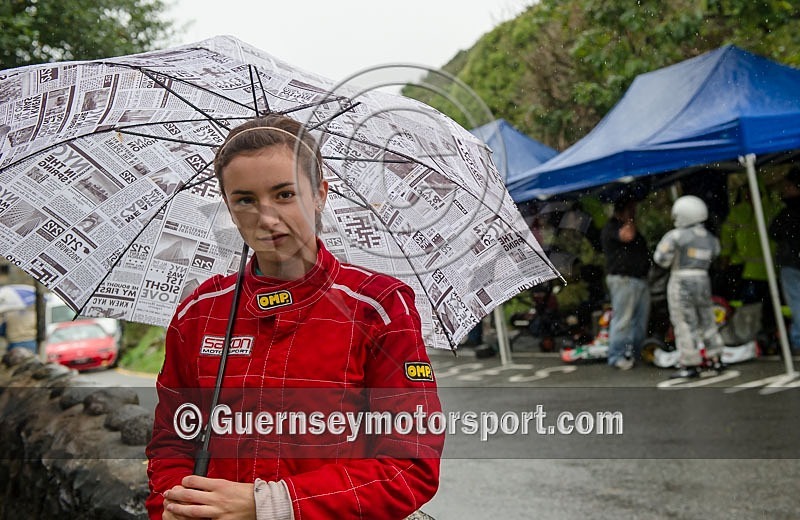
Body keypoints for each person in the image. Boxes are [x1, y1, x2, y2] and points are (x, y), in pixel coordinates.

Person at [146, 114, 443, 519]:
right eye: (245, 200)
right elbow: (171, 444)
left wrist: (267, 506)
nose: (266, 218)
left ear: (319, 193)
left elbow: (410, 466)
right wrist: (174, 504)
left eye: (284, 194)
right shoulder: (200, 312)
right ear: (229, 207)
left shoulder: (380, 307)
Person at [654, 195, 725, 378]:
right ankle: (715, 357)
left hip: (681, 281)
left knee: (685, 322)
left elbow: (661, 259)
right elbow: (716, 254)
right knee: (707, 319)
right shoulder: (710, 238)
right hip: (703, 280)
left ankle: (690, 363)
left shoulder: (676, 236)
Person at [600, 197, 651, 370]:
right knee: (623, 320)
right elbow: (627, 236)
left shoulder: (633, 228)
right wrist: (628, 217)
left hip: (639, 279)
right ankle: (617, 356)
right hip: (623, 279)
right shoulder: (612, 227)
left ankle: (635, 353)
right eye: (632, 210)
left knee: (639, 321)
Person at [768, 166, 800, 353]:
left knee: (796, 302)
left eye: (788, 186)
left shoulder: (787, 212)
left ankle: (797, 341)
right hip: (792, 261)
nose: (784, 189)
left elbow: (774, 232)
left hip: (791, 263)